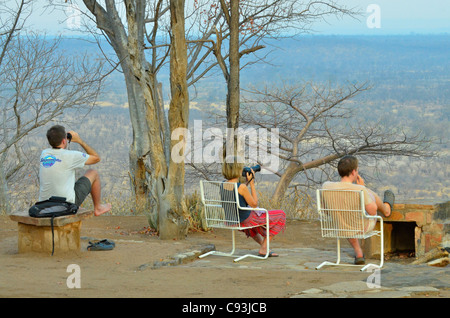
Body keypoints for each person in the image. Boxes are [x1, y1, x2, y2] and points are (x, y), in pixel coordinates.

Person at [322, 155, 395, 264]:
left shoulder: (326, 186)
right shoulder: (360, 189)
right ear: (353, 172)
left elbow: (326, 210)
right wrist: (364, 189)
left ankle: (359, 253)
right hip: (362, 227)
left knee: (347, 219)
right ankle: (387, 209)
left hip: (340, 225)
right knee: (372, 195)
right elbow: (372, 211)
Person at [39, 125, 111, 216]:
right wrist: (79, 140)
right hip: (66, 204)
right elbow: (96, 158)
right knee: (93, 173)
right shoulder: (71, 156)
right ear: (64, 141)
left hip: (44, 204)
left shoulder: (44, 154)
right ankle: (98, 208)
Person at [222, 156, 286, 257]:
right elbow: (254, 204)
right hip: (246, 220)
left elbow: (238, 194)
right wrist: (251, 184)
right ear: (238, 170)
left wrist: (247, 182)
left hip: (232, 220)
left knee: (253, 225)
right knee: (281, 215)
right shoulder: (241, 187)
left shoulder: (223, 184)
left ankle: (264, 247)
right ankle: (264, 248)